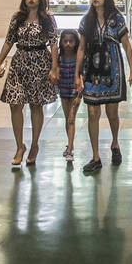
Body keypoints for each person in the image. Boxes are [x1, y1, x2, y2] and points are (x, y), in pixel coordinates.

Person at [76, 0, 132, 173]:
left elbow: (127, 45)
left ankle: (115, 143)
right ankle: (95, 156)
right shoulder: (86, 21)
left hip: (113, 70)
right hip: (91, 71)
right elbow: (81, 48)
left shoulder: (117, 19)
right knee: (93, 114)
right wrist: (78, 74)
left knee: (112, 112)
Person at [0, 0, 58, 167]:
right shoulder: (17, 18)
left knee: (36, 105)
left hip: (40, 62)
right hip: (19, 62)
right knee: (15, 103)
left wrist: (54, 68)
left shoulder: (48, 19)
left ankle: (35, 145)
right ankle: (19, 146)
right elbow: (9, 40)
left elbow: (54, 43)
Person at [57, 29, 81, 163]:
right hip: (63, 91)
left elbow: (81, 76)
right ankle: (70, 143)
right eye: (65, 41)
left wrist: (79, 95)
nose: (67, 44)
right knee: (68, 119)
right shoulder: (59, 58)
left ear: (75, 42)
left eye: (71, 41)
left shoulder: (78, 58)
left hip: (74, 92)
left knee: (71, 119)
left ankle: (70, 149)